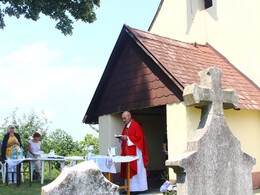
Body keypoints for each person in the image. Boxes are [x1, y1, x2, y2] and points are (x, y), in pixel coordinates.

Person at [118, 111, 149, 194]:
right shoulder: (126, 127)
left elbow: (139, 138)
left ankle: (138, 188)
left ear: (129, 116)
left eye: (125, 118)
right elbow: (125, 137)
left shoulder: (136, 125)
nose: (123, 120)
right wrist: (121, 138)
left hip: (136, 152)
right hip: (127, 152)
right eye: (123, 118)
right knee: (128, 169)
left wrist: (127, 138)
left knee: (137, 169)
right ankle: (129, 188)